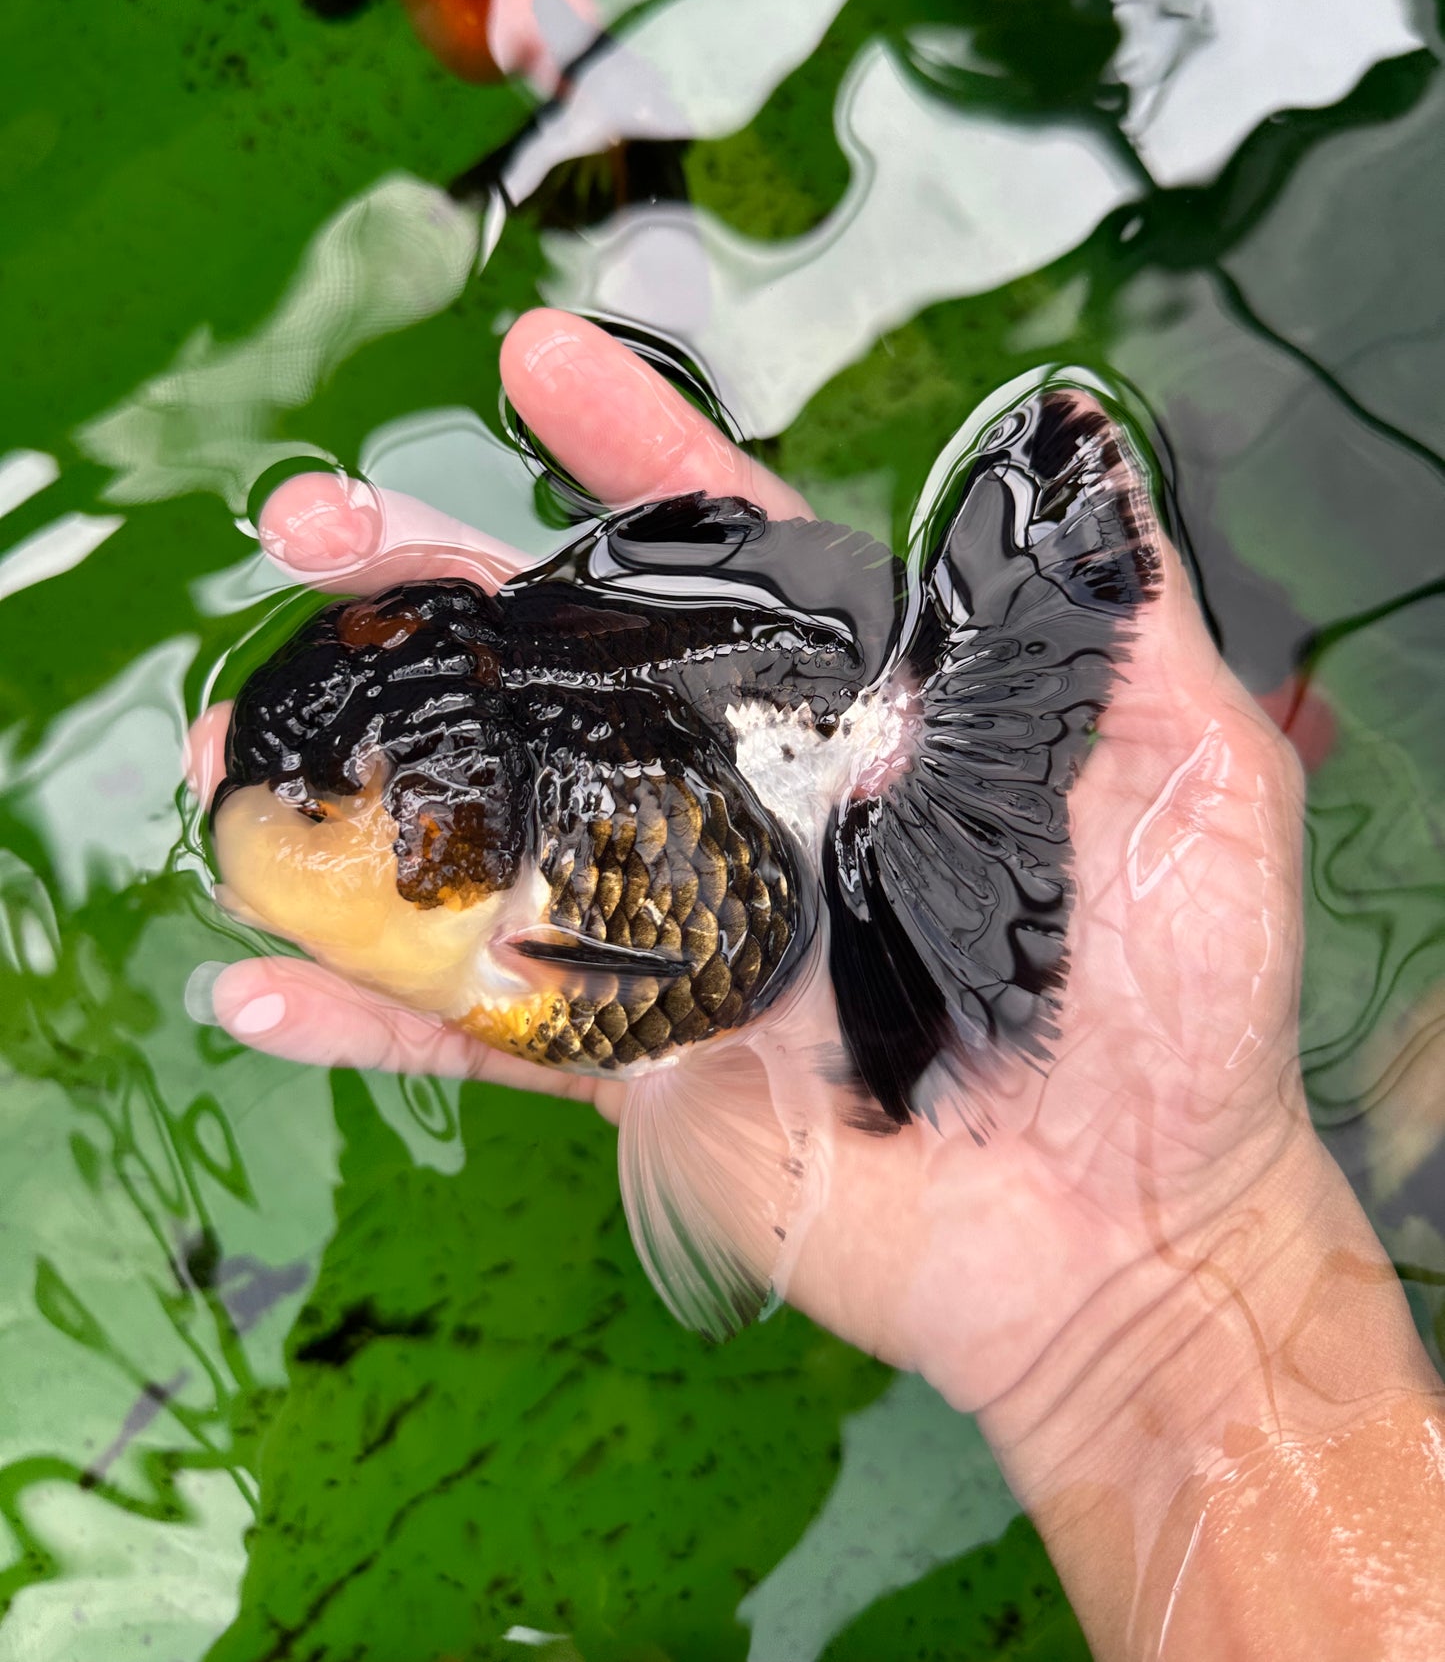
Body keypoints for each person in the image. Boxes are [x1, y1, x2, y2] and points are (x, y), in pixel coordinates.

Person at [187, 308, 1445, 1659]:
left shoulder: (530, 930)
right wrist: (1183, 1294)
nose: (289, 833)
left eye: (328, 813)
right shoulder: (497, 902)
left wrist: (1166, 1281)